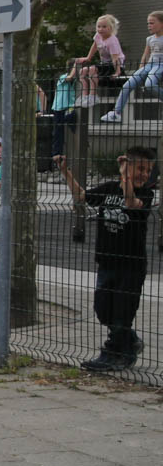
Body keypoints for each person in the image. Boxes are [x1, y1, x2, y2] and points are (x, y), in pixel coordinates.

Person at [56, 148, 155, 371]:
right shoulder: (109, 188)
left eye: (148, 170)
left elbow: (130, 203)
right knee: (103, 310)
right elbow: (82, 196)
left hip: (131, 266)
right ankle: (130, 340)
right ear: (128, 165)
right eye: (140, 168)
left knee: (122, 313)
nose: (145, 174)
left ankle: (118, 353)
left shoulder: (146, 195)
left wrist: (126, 176)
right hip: (106, 262)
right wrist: (65, 171)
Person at [101, 10, 163, 124]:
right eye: (148, 23)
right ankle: (116, 113)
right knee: (126, 85)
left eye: (152, 23)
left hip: (160, 65)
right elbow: (145, 55)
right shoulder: (149, 39)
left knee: (149, 85)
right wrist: (141, 70)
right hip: (150, 65)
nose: (149, 25)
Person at [77, 14, 123, 109]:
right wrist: (88, 57)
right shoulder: (98, 36)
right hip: (104, 64)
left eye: (104, 27)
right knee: (82, 71)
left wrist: (117, 71)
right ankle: (84, 95)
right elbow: (94, 46)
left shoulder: (112, 41)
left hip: (113, 64)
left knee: (92, 69)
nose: (101, 29)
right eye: (99, 26)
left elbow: (115, 58)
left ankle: (93, 95)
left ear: (110, 28)